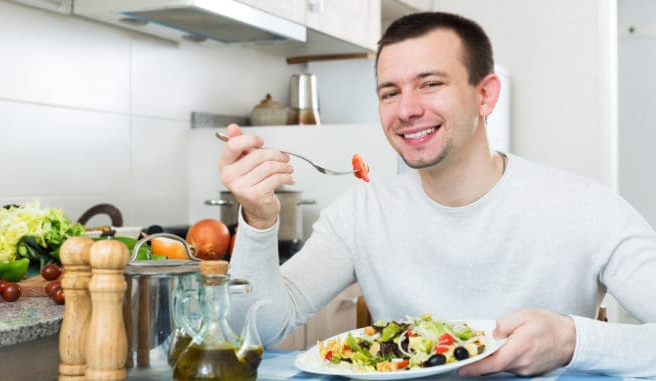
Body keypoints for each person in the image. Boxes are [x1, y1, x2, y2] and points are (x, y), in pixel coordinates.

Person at [217, 11, 656, 378]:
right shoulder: (362, 212)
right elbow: (256, 328)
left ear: (484, 95)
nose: (407, 109)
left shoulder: (584, 208)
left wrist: (570, 340)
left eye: (430, 84)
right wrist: (257, 220)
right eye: (390, 92)